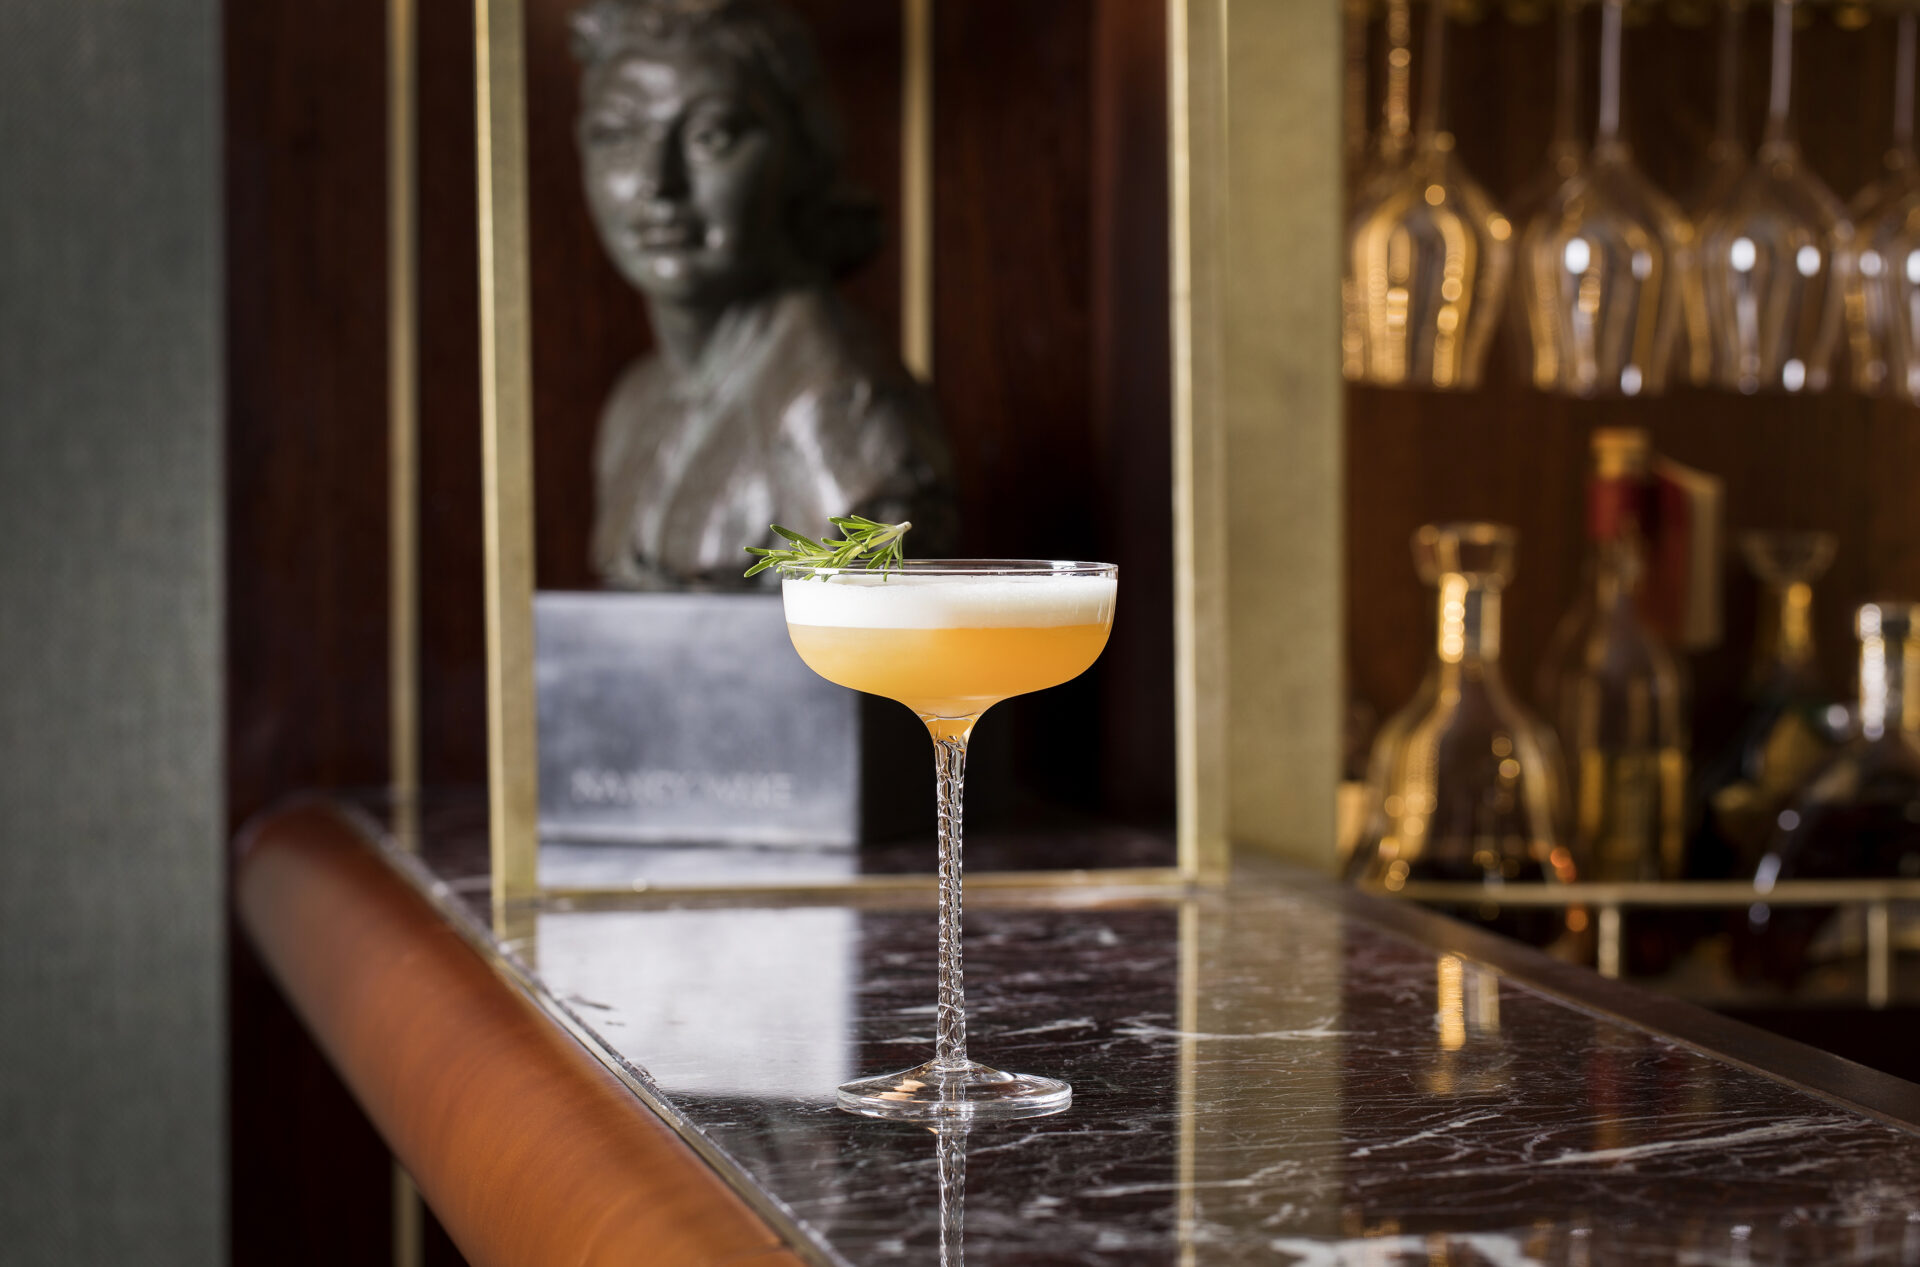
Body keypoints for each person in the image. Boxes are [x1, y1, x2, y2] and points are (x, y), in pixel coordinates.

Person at [572, 0, 955, 589]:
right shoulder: (634, 404)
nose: (657, 183)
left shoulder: (836, 406)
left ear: (800, 156)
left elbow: (860, 659)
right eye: (617, 134)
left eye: (711, 135)